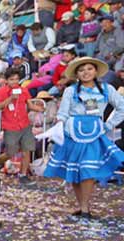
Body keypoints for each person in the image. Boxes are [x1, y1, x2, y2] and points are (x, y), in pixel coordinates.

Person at [41, 57, 124, 218]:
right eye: (81, 70)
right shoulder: (71, 90)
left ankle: (85, 208)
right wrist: (59, 126)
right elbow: (63, 112)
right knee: (75, 172)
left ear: (95, 71)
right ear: (77, 74)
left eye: (89, 69)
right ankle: (82, 206)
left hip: (94, 134)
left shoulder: (107, 89)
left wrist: (108, 124)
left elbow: (122, 107)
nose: (86, 72)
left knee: (88, 170)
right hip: (72, 133)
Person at [0, 68, 46, 184]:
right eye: (12, 79)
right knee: (11, 152)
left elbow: (30, 105)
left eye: (16, 79)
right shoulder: (1, 92)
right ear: (6, 80)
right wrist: (10, 98)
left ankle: (22, 175)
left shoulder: (24, 90)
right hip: (10, 125)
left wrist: (40, 109)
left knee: (27, 150)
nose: (15, 82)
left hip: (25, 124)